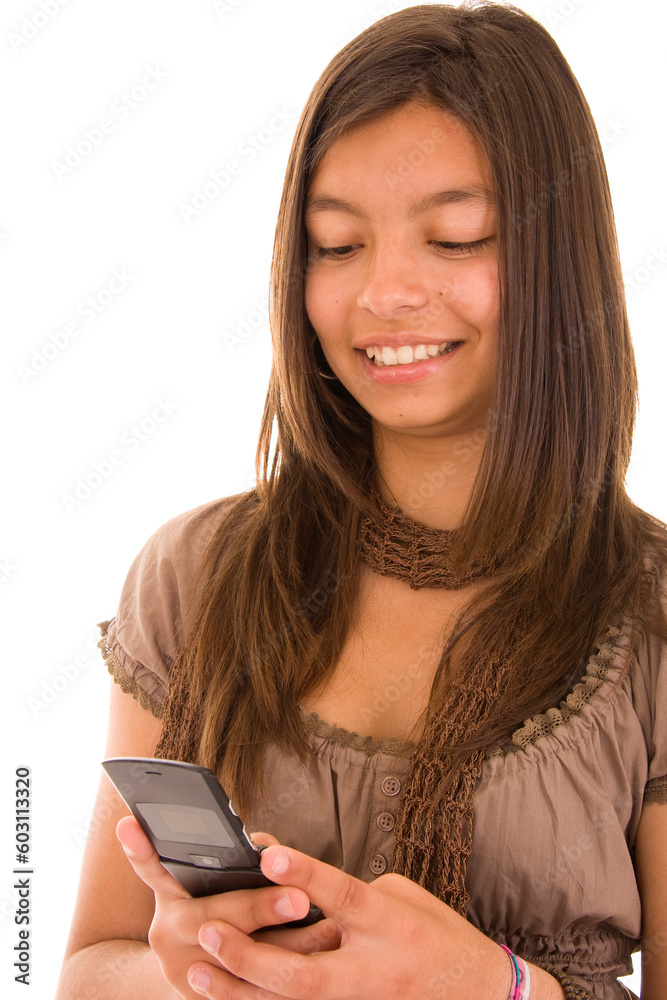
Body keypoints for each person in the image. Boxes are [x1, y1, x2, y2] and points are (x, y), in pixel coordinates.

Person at [55, 3, 667, 999]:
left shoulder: (651, 617)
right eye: (336, 245)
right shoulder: (192, 578)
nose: (384, 292)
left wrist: (501, 989)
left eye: (456, 237)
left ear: (558, 258)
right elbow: (89, 970)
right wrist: (199, 972)